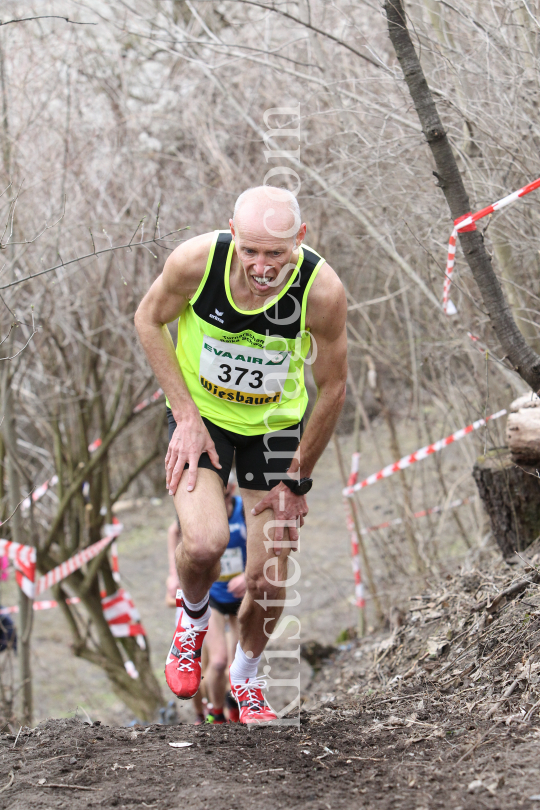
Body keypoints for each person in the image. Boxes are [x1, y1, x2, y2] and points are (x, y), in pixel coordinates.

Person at [135, 185, 348, 724]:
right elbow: (147, 319)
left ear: (299, 240)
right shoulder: (195, 263)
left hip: (274, 433)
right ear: (231, 231)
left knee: (268, 580)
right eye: (249, 250)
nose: (260, 266)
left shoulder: (320, 292)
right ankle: (192, 623)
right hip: (201, 419)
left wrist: (298, 477)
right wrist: (183, 413)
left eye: (275, 253)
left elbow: (334, 387)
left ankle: (247, 681)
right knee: (204, 543)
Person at [166, 476, 247, 724]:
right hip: (212, 596)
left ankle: (234, 706)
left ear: (230, 490)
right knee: (219, 661)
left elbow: (263, 543)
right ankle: (211, 714)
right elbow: (175, 531)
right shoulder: (203, 509)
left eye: (221, 495)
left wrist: (247, 574)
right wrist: (173, 574)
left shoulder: (244, 510)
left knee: (238, 663)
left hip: (241, 595)